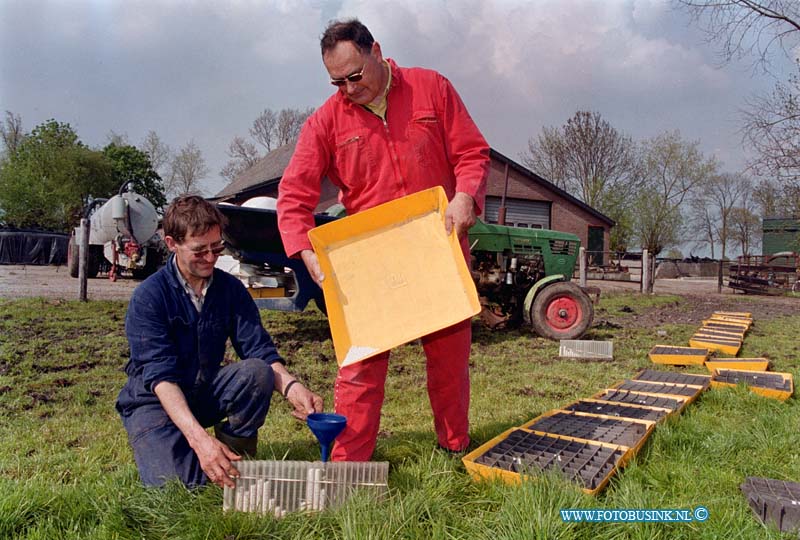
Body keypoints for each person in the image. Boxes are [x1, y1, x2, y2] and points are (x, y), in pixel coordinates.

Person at [276, 19, 490, 461]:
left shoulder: (432, 88)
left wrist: (466, 194)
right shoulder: (325, 121)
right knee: (359, 369)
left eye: (355, 76)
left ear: (375, 50)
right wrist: (304, 251)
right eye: (337, 82)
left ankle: (454, 449)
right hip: (369, 262)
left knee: (449, 362)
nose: (348, 89)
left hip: (438, 246)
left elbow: (471, 152)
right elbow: (294, 194)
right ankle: (347, 464)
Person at [116, 195, 323, 488]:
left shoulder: (230, 289)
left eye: (217, 248)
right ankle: (198, 453)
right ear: (172, 243)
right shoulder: (149, 297)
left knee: (256, 372)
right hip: (155, 401)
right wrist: (199, 441)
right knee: (178, 487)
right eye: (200, 251)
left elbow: (258, 349)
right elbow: (161, 379)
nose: (211, 258)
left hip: (201, 391)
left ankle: (234, 458)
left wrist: (292, 387)